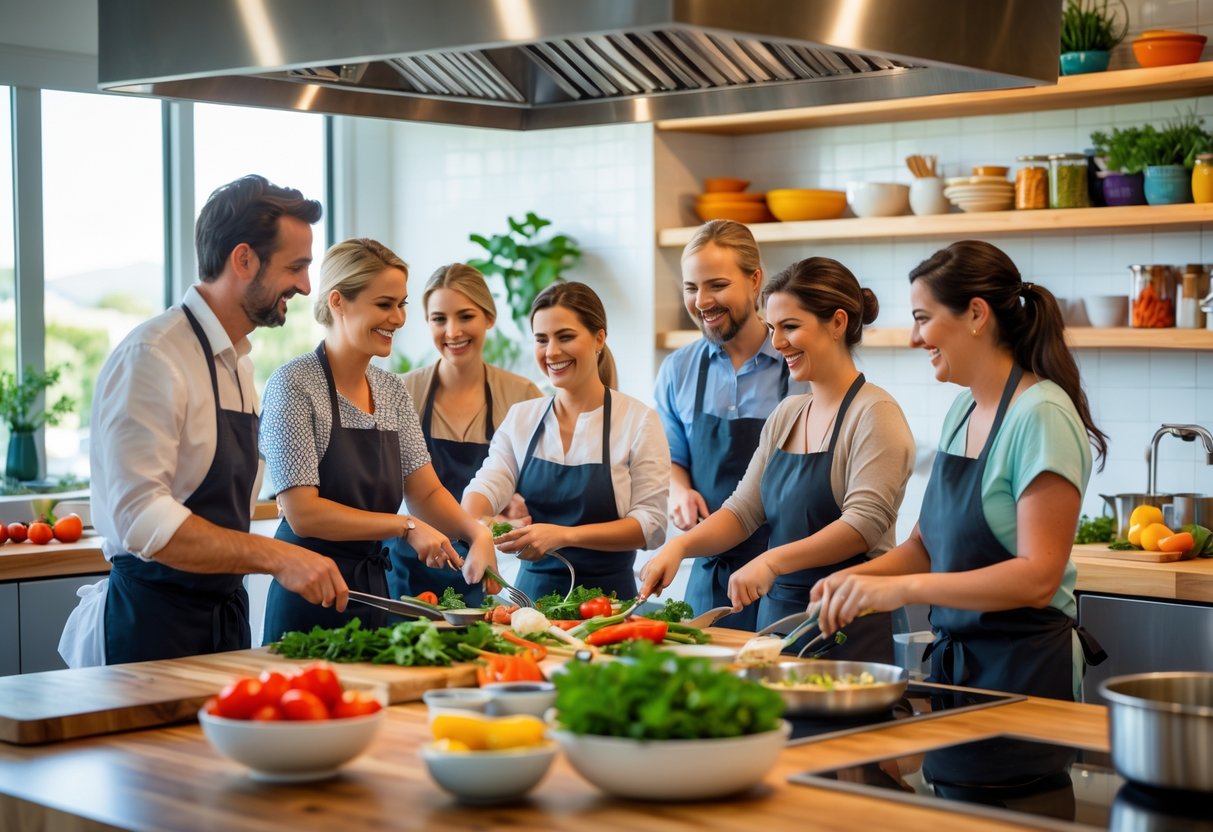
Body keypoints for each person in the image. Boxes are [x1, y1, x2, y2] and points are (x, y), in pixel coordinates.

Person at [59, 174, 349, 667]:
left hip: (223, 620)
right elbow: (143, 519)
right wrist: (277, 556)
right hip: (154, 628)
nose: (304, 286)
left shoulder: (239, 364)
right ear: (243, 259)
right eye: (296, 267)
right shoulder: (154, 356)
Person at [811, 240, 1110, 700]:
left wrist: (904, 591)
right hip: (958, 670)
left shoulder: (1042, 415)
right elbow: (924, 546)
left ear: (975, 314)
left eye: (922, 319)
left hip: (1024, 672)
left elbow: (1038, 577)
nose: (914, 339)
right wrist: (857, 578)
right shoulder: (963, 410)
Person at [642, 258, 914, 662]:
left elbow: (863, 525)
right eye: (773, 329)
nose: (777, 343)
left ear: (838, 323)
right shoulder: (788, 413)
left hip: (848, 624)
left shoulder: (875, 413)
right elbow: (743, 510)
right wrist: (680, 547)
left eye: (790, 327)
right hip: (777, 622)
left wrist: (770, 560)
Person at [259, 240, 497, 640]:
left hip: (373, 595)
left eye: (402, 304)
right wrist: (404, 526)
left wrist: (477, 533)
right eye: (385, 304)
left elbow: (424, 491)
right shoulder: (294, 384)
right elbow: (303, 513)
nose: (399, 318)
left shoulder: (390, 389)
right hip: (309, 594)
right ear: (338, 302)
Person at [462, 282, 670, 600]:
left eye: (565, 337)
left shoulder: (637, 421)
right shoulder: (522, 419)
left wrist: (563, 536)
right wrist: (482, 525)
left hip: (607, 607)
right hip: (528, 605)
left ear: (599, 338)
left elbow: (651, 526)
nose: (552, 352)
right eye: (541, 340)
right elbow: (485, 488)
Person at [652, 220, 804, 629]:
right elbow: (671, 456)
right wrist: (679, 490)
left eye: (716, 285)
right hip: (710, 573)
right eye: (690, 288)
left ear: (755, 281)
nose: (701, 301)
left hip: (785, 573)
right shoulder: (678, 370)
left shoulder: (799, 366)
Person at [387, 263, 543, 606]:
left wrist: (515, 506)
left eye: (466, 316)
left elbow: (540, 486)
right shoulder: (401, 391)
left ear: (489, 318)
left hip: (483, 571)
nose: (453, 331)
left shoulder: (522, 396)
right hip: (405, 567)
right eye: (439, 319)